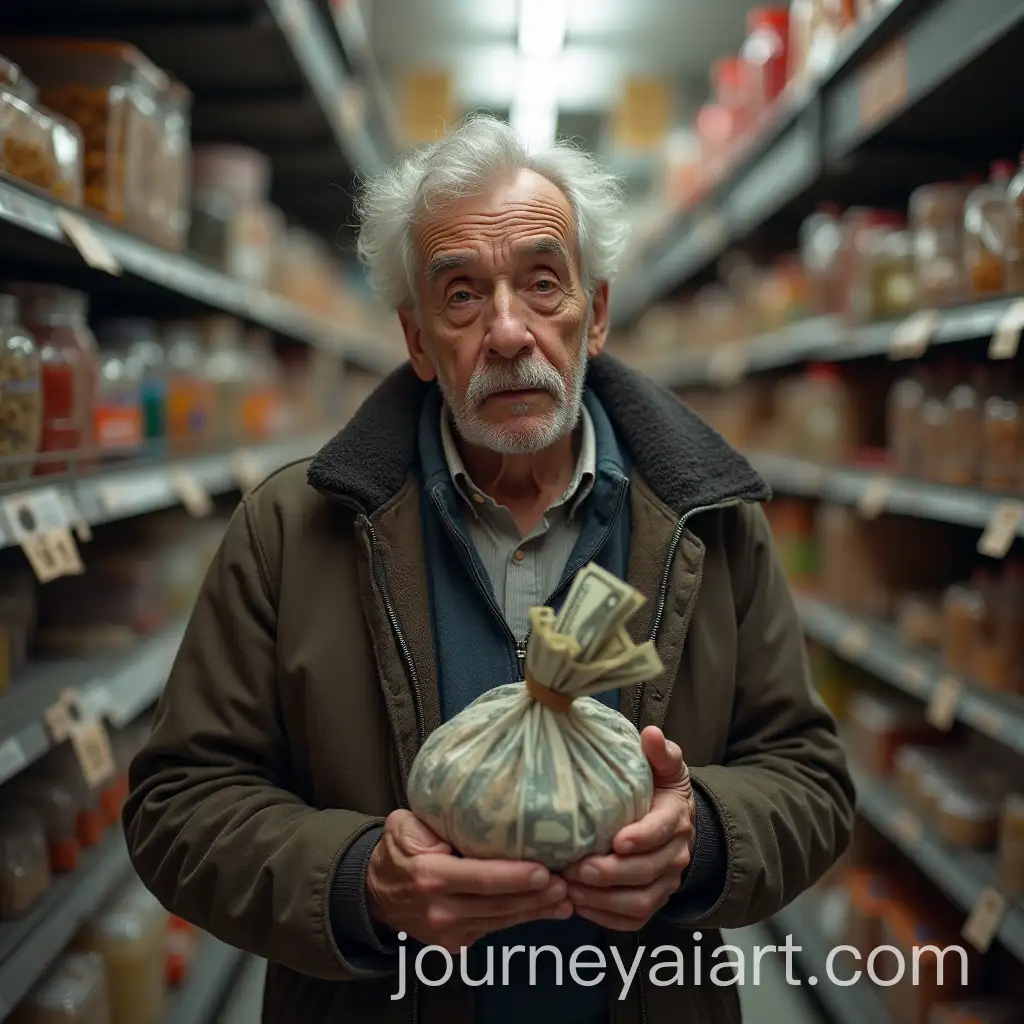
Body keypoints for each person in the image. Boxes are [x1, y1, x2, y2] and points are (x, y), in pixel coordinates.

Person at [123, 113, 855, 1024]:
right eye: (462, 294)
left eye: (543, 285)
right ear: (419, 340)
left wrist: (701, 840)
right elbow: (176, 807)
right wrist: (360, 884)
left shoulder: (712, 521)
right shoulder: (290, 531)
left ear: (596, 312)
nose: (508, 332)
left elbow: (812, 781)